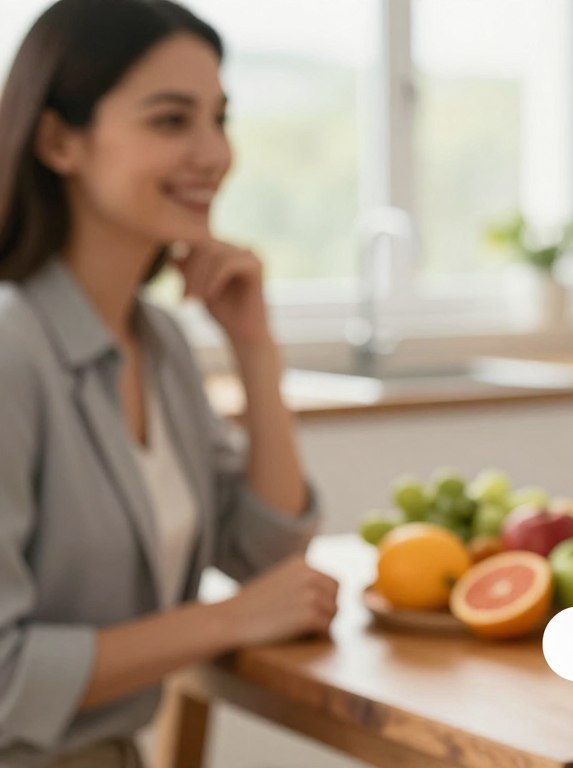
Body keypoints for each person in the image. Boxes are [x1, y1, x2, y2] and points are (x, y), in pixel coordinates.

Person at [0, 1, 340, 765]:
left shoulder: (157, 342)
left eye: (219, 119)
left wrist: (255, 351)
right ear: (58, 140)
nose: (214, 153)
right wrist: (226, 621)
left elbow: (266, 554)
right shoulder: (11, 349)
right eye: (171, 121)